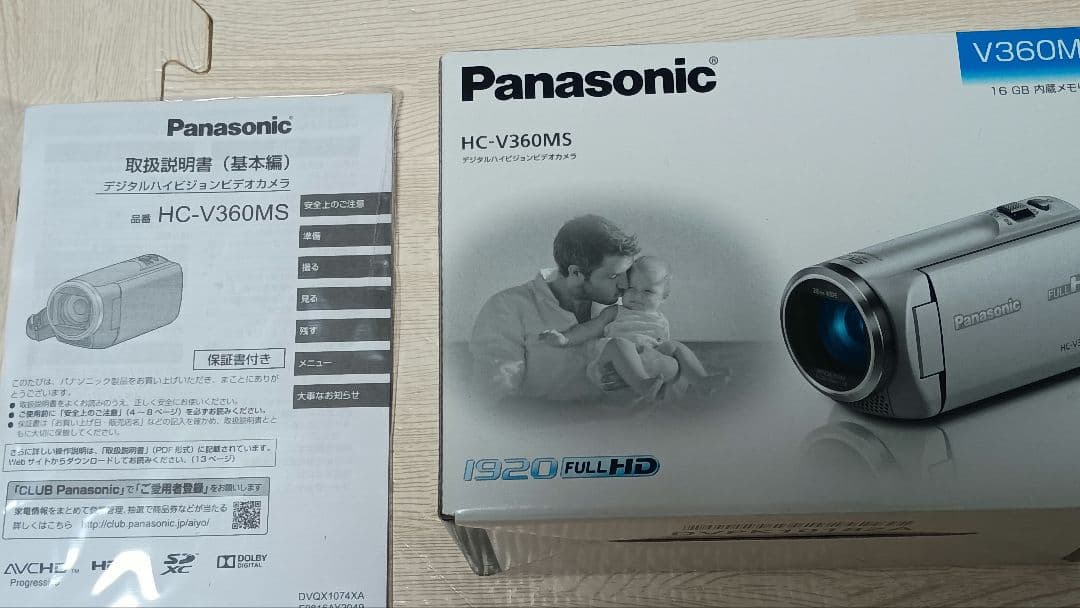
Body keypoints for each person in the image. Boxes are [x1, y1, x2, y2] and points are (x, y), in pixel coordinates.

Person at [470, 214, 645, 400]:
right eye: (613, 276)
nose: (625, 284)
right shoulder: (507, 307)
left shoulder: (625, 308)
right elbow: (496, 399)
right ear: (575, 273)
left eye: (626, 273)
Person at [539, 256, 709, 400]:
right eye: (631, 288)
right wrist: (564, 338)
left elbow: (661, 351)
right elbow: (589, 328)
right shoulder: (616, 311)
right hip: (612, 359)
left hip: (647, 360)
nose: (637, 295)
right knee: (620, 343)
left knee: (675, 346)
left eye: (647, 291)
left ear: (664, 296)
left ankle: (702, 381)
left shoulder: (661, 321)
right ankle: (642, 384)